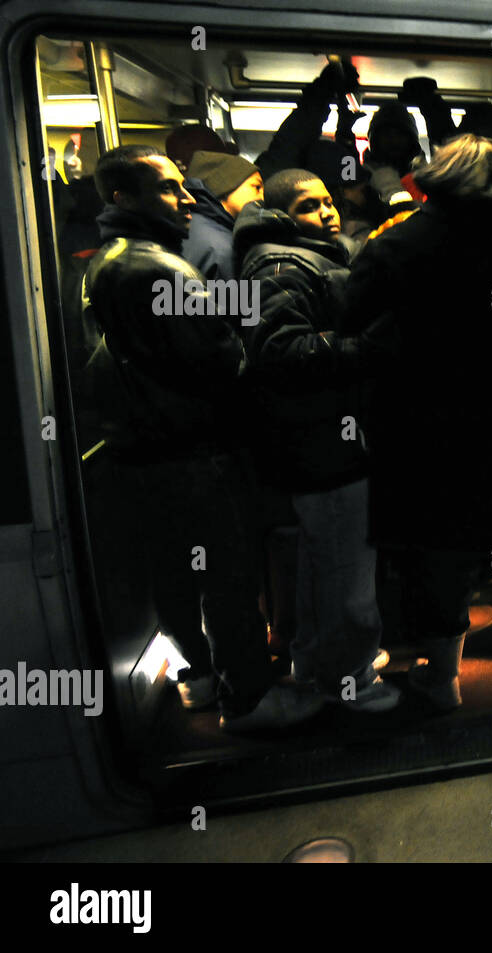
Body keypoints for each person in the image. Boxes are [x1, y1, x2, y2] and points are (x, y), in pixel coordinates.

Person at [80, 145, 324, 732]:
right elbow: (224, 365)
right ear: (122, 197)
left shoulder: (105, 262)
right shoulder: (159, 269)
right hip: (195, 451)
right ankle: (249, 700)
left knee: (177, 577)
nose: (186, 198)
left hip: (148, 450)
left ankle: (201, 678)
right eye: (167, 188)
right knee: (227, 578)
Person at [344, 134, 492, 703]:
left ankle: (443, 676)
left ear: (436, 180)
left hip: (423, 424)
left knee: (438, 546)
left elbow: (349, 316)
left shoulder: (399, 245)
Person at [233, 169, 399, 712]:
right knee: (346, 572)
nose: (327, 212)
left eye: (327, 201)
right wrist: (367, 345)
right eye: (309, 205)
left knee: (323, 566)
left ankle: (318, 662)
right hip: (323, 442)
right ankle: (350, 683)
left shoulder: (302, 254)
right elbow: (281, 352)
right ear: (282, 213)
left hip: (325, 436)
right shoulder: (279, 263)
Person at [180, 150, 264, 280]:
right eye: (257, 187)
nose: (262, 197)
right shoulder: (222, 248)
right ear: (225, 187)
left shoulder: (189, 222)